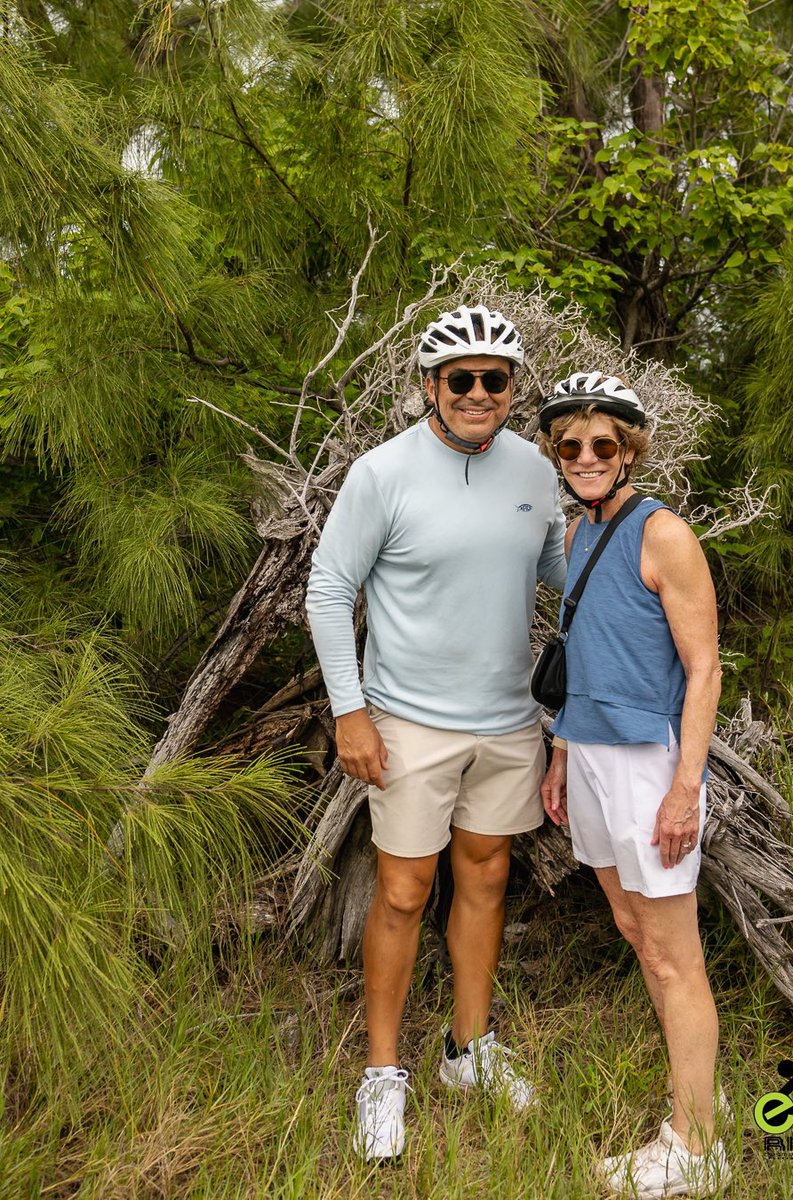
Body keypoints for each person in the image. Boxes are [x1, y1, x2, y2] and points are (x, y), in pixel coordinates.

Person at [305, 304, 567, 1162]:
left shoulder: (537, 468)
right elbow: (326, 589)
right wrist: (350, 710)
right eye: (461, 379)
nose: (479, 393)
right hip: (408, 724)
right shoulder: (382, 473)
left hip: (506, 724)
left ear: (512, 388)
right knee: (406, 892)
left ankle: (467, 1049)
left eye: (496, 379)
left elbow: (565, 581)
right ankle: (383, 1075)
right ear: (429, 386)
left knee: (486, 879)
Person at [537, 372, 730, 1198]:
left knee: (674, 955)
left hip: (648, 768)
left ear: (630, 451)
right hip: (586, 759)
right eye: (570, 445)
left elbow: (705, 670)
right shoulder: (579, 534)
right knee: (633, 928)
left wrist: (685, 789)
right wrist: (558, 756)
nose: (585, 457)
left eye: (602, 445)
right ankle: (691, 1115)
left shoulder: (665, 535)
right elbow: (585, 655)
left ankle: (697, 1149)